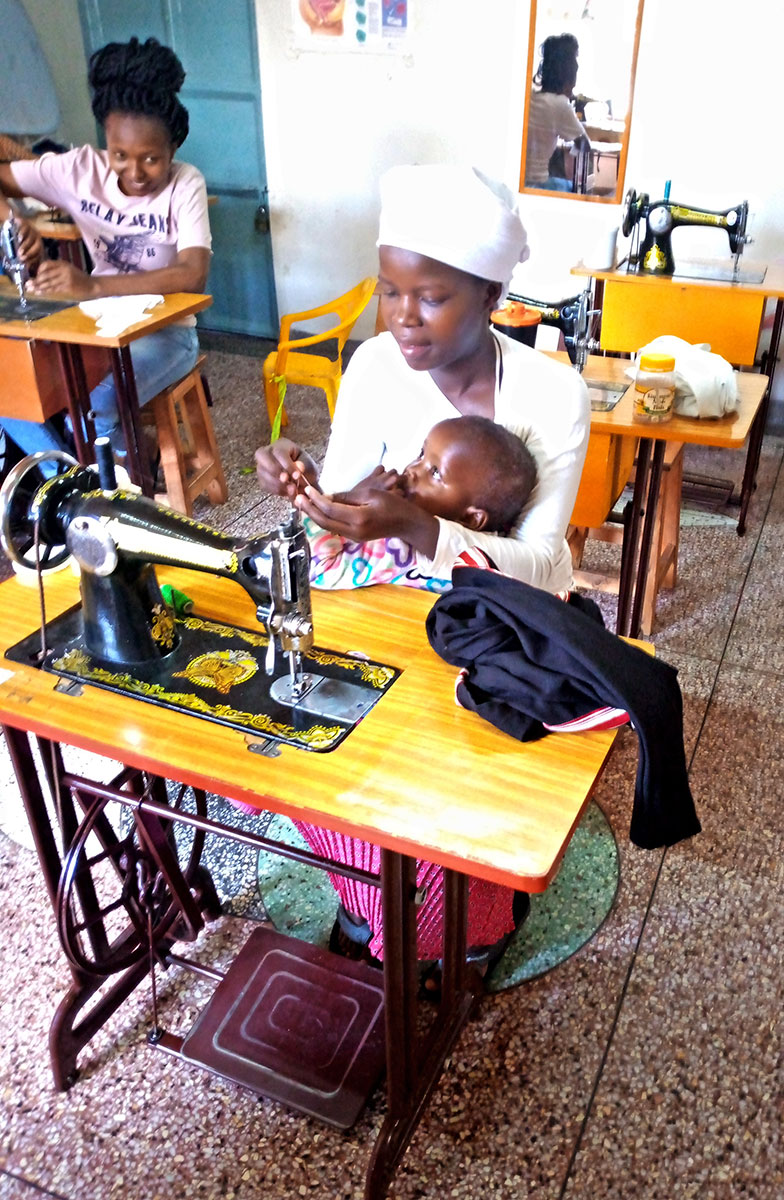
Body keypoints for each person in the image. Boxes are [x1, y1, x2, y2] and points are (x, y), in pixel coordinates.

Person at [255, 162, 590, 973]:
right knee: (310, 733)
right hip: (389, 603)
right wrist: (304, 492)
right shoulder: (374, 366)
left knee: (455, 779)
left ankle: (463, 919)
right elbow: (342, 514)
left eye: (431, 297)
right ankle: (372, 889)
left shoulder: (550, 393)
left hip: (506, 626)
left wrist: (420, 527)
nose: (403, 319)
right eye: (389, 291)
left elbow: (542, 567)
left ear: (492, 297)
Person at [0, 36, 211, 459]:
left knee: (89, 410)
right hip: (95, 328)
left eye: (150, 159)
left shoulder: (186, 184)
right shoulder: (80, 169)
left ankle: (134, 472)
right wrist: (12, 221)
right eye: (119, 154)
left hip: (166, 335)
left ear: (173, 148)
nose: (133, 172)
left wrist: (94, 287)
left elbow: (192, 273)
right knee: (14, 394)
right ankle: (68, 486)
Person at [302, 414, 538, 591]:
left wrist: (332, 500)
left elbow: (318, 570)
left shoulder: (400, 547)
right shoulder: (496, 550)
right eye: (421, 454)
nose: (413, 469)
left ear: (470, 518)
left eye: (435, 473)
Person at [524, 34, 590, 192]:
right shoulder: (560, 105)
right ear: (569, 72)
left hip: (520, 179)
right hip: (537, 183)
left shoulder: (530, 94)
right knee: (575, 188)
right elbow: (584, 144)